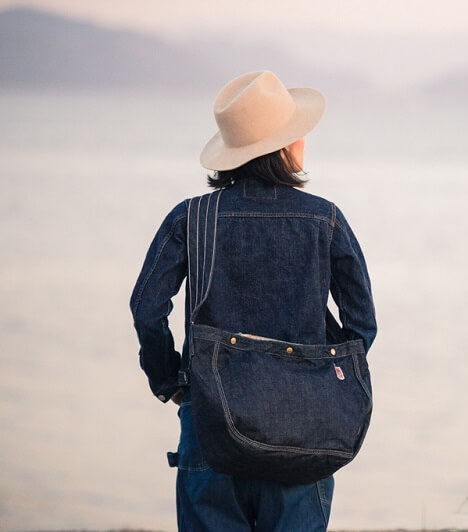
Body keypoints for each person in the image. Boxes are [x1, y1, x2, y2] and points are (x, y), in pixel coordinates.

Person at [130, 71, 377, 531]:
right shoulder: (324, 219)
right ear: (282, 148)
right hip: (304, 434)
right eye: (297, 134)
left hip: (209, 426)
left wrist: (174, 383)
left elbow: (147, 311)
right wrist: (326, 382)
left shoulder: (192, 218)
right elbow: (362, 327)